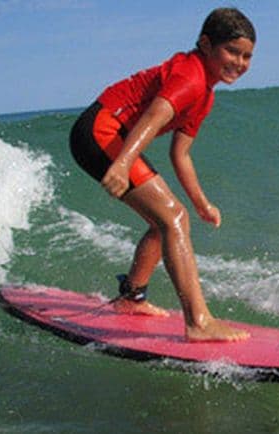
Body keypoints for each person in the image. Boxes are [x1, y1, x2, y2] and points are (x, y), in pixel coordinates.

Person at [69, 8, 255, 342]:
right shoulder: (191, 77)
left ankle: (131, 298)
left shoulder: (205, 93)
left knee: (166, 221)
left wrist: (201, 203)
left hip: (117, 135)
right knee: (173, 219)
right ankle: (199, 322)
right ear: (206, 44)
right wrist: (123, 163)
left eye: (247, 56)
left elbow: (180, 153)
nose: (239, 62)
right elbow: (154, 117)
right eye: (232, 51)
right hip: (101, 130)